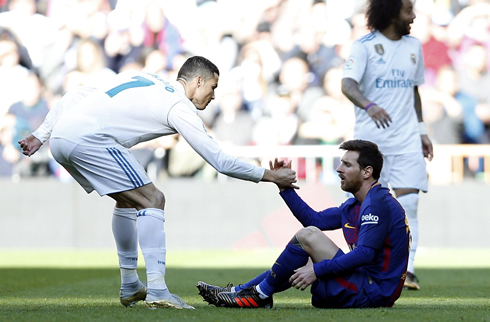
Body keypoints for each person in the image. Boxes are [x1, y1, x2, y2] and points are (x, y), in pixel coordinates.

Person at [18, 56, 298, 310]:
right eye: (212, 87)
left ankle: (130, 284)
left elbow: (77, 94)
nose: (213, 96)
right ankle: (158, 291)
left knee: (129, 200)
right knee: (153, 199)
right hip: (91, 138)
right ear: (197, 81)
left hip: (61, 138)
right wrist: (270, 176)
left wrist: (41, 134)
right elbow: (220, 161)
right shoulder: (179, 106)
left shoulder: (144, 77)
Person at [197, 139, 410, 309]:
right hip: (362, 283)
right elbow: (314, 219)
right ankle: (241, 292)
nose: (338, 169)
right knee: (306, 242)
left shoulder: (378, 204)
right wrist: (284, 187)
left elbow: (365, 254)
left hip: (374, 291)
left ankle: (259, 295)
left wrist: (317, 270)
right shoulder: (356, 204)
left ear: (367, 172)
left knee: (308, 236)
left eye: (347, 164)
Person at [340, 0, 433, 290]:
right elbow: (347, 84)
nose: (413, 16)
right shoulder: (364, 46)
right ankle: (362, 263)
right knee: (368, 206)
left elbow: (414, 90)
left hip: (406, 140)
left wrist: (422, 130)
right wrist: (369, 106)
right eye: (408, 11)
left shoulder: (414, 46)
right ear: (391, 13)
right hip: (372, 143)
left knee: (410, 204)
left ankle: (409, 270)